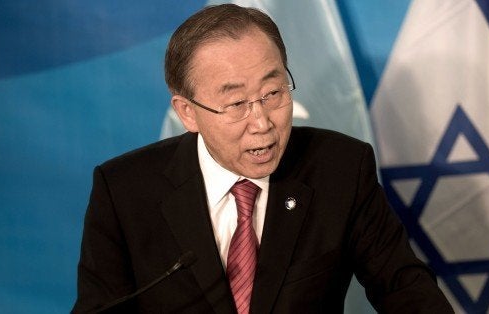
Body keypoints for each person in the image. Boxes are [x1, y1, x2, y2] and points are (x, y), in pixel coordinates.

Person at [72, 4, 453, 313]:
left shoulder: (340, 168)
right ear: (187, 112)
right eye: (236, 103)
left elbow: (406, 291)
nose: (262, 122)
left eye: (272, 93)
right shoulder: (125, 192)